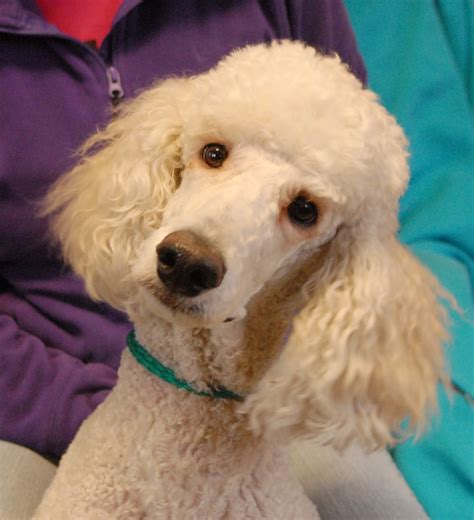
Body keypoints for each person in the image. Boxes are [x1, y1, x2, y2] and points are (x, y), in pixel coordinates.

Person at [0, 0, 366, 461]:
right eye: (214, 155)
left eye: (301, 210)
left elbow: (353, 178)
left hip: (258, 400)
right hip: (38, 404)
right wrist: (102, 413)